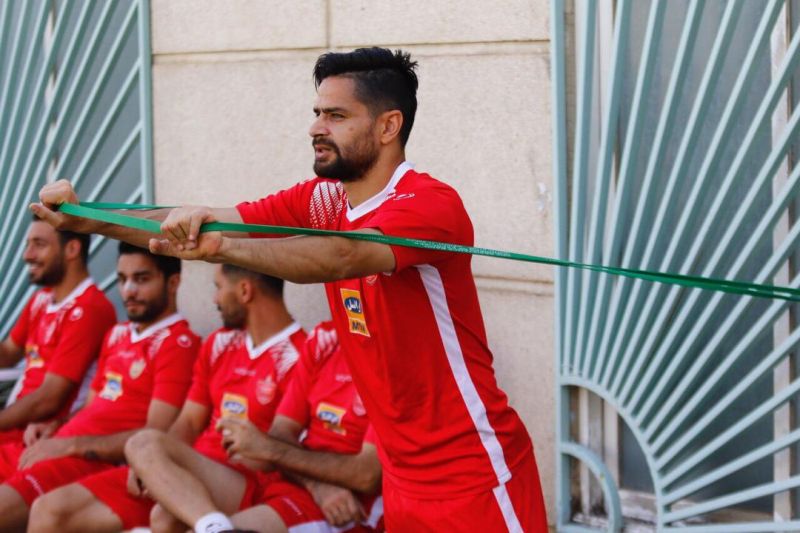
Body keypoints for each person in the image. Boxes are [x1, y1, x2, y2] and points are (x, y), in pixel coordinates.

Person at [35, 47, 547, 531]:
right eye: (317, 113)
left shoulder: (429, 202)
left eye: (336, 116)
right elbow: (196, 222)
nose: (316, 128)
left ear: (389, 126)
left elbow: (342, 255)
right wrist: (85, 217)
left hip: (473, 473)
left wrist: (221, 248)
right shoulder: (324, 201)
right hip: (401, 480)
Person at [28, 264, 305, 533]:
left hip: (245, 479)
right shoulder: (218, 344)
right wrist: (155, 464)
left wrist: (159, 459)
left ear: (245, 291)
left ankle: (215, 527)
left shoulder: (299, 354)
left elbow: (279, 447)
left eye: (219, 288)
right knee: (48, 511)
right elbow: (189, 422)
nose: (214, 299)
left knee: (158, 496)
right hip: (192, 468)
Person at [0, 241, 199, 529]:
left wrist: (71, 446)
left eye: (141, 279)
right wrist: (56, 425)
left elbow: (154, 435)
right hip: (54, 447)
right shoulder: (117, 334)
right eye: (122, 279)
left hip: (90, 462)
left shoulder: (178, 344)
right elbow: (91, 407)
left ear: (173, 282)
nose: (128, 290)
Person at [155, 321, 383, 533]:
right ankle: (214, 527)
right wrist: (315, 485)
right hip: (290, 485)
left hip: (346, 507)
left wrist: (265, 447)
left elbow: (366, 476)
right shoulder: (325, 337)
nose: (215, 298)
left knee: (167, 517)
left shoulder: (392, 355)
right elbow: (280, 432)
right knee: (148, 449)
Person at [0, 218, 115, 451]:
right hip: (15, 429)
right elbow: (8, 354)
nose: (27, 255)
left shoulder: (89, 308)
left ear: (72, 249)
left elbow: (49, 400)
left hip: (39, 439)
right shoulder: (42, 299)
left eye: (39, 244)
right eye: (28, 245)